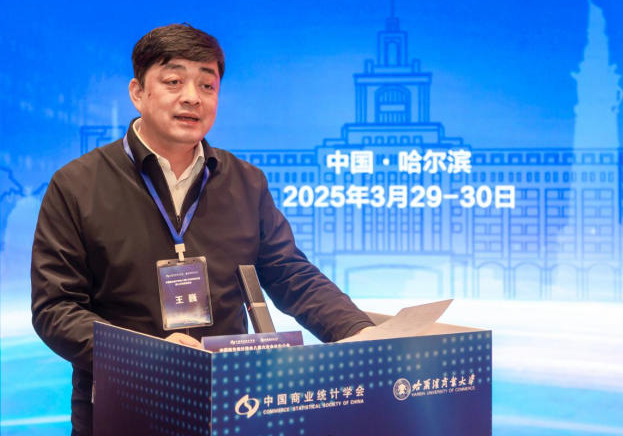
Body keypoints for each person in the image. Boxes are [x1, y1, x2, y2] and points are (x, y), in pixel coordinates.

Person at [31, 23, 374, 436]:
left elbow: (290, 274)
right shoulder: (77, 185)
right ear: (137, 93)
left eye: (207, 86)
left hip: (232, 406)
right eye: (174, 81)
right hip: (123, 407)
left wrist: (358, 332)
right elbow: (55, 308)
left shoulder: (245, 182)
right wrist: (143, 355)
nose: (193, 97)